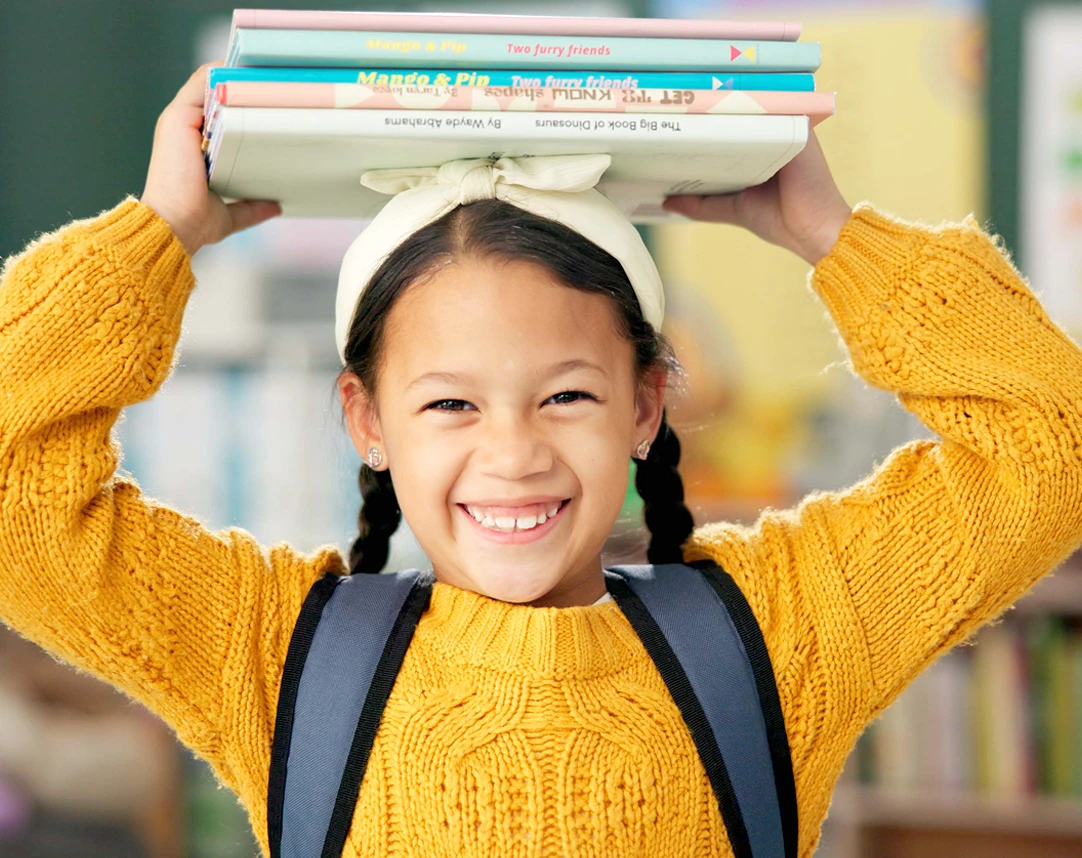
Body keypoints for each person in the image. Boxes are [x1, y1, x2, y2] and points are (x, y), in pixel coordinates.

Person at [1, 62, 1080, 858]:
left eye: (566, 395)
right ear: (367, 421)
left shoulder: (780, 637)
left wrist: (833, 237)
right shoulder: (274, 656)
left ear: (644, 405)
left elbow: (1052, 444)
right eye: (449, 404)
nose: (512, 453)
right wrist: (156, 235)